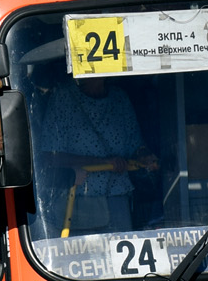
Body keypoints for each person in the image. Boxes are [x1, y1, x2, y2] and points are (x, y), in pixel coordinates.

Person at [38, 76, 155, 234]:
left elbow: (135, 144)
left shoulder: (119, 98)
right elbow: (50, 156)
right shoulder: (63, 97)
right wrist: (103, 162)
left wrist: (144, 157)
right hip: (77, 202)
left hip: (117, 200)